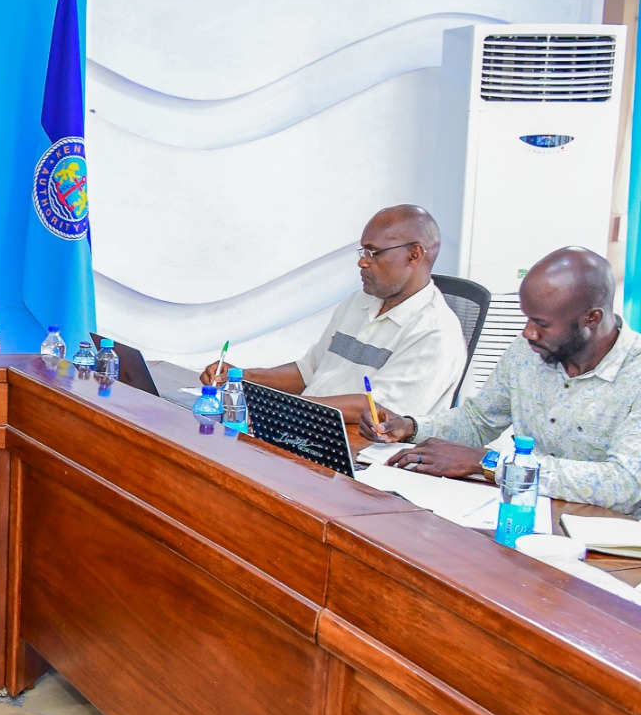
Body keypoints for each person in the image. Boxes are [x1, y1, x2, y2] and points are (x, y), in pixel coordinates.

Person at [363, 247, 641, 515]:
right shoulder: (529, 351)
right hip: (532, 511)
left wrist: (488, 462)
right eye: (527, 319)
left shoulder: (635, 372)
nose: (528, 333)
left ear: (592, 318)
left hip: (611, 537)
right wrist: (412, 427)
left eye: (541, 324)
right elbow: (479, 419)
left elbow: (625, 483)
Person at [200, 205, 465, 420]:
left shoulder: (435, 332)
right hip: (310, 427)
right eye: (363, 251)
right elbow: (308, 372)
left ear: (414, 255)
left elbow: (376, 410)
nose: (362, 261)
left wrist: (282, 409)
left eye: (373, 252)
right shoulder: (360, 302)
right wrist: (242, 377)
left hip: (363, 455)